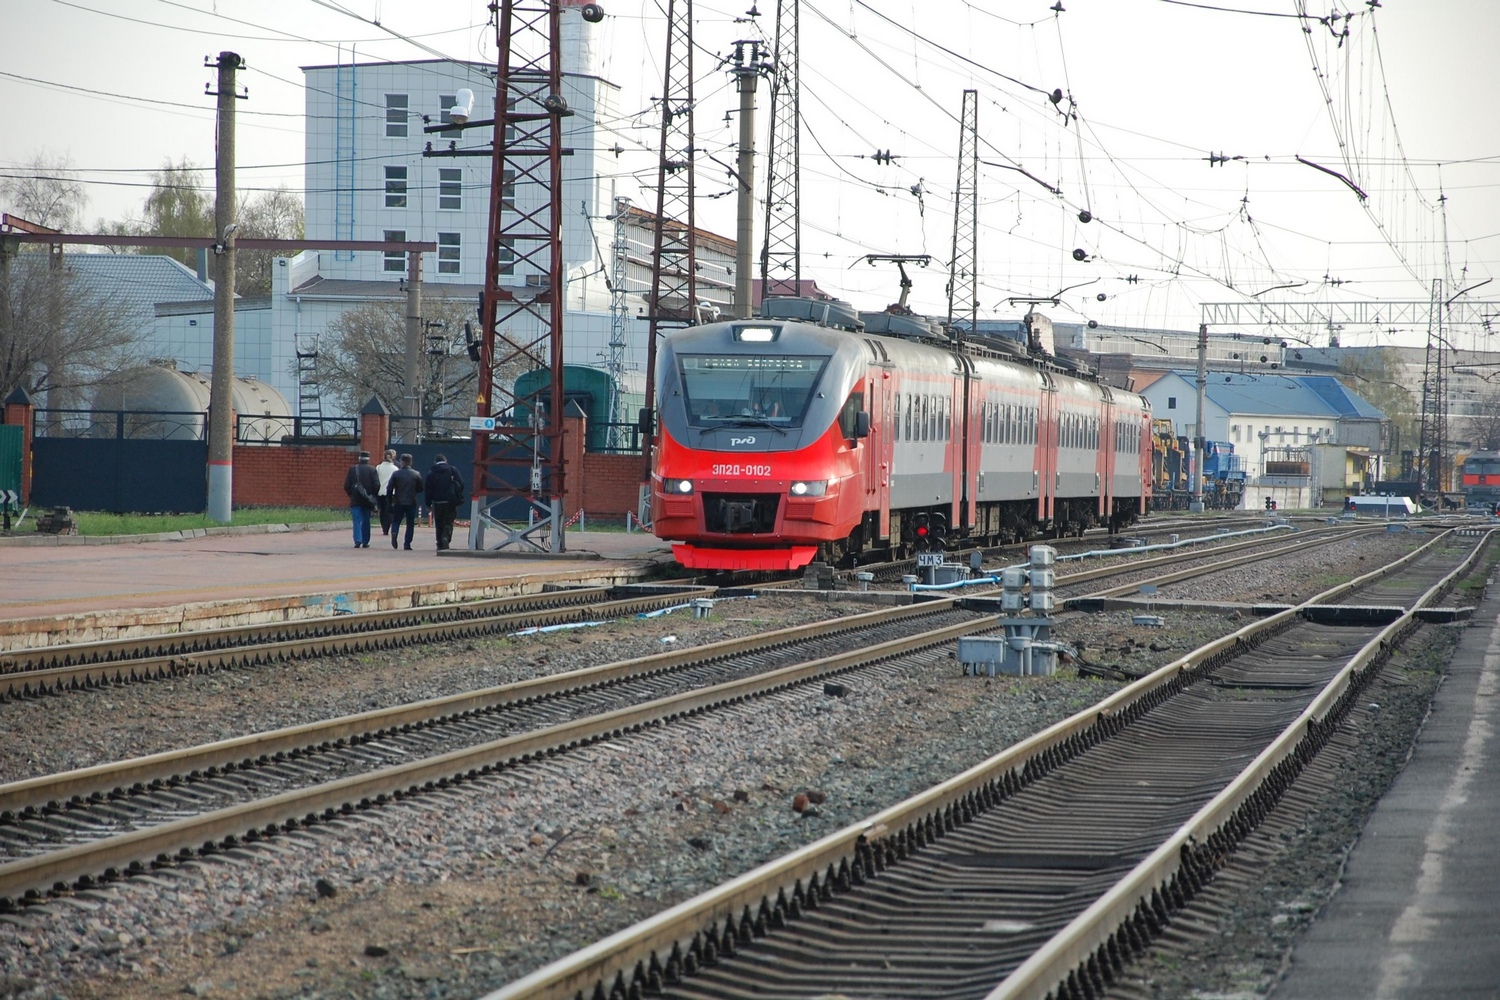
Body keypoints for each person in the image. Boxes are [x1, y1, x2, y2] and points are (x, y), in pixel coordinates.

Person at [425, 453, 465, 551]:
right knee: (448, 522)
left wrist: (428, 504)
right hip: (450, 502)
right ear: (445, 460)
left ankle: (439, 544)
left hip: (437, 502)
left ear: (435, 462)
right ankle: (446, 537)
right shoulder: (452, 470)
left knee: (439, 523)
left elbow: (428, 490)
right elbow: (461, 483)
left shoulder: (431, 473)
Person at [385, 453, 424, 550]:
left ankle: (394, 532)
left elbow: (389, 488)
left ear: (402, 462)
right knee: (410, 523)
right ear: (411, 462)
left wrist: (390, 501)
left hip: (398, 501)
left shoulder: (396, 474)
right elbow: (420, 488)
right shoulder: (416, 474)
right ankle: (407, 544)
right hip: (411, 501)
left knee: (396, 520)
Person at [342, 451, 380, 548]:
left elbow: (346, 485)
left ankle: (357, 540)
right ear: (368, 459)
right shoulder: (372, 470)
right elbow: (377, 485)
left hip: (355, 499)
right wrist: (371, 495)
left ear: (359, 459)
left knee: (356, 520)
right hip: (367, 500)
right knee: (366, 520)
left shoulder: (353, 469)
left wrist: (352, 494)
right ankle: (365, 541)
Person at [374, 448, 399, 537]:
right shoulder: (395, 468)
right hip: (391, 492)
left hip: (380, 492)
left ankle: (384, 528)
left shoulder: (378, 467)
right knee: (389, 511)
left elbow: (376, 480)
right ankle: (387, 527)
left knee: (382, 510)